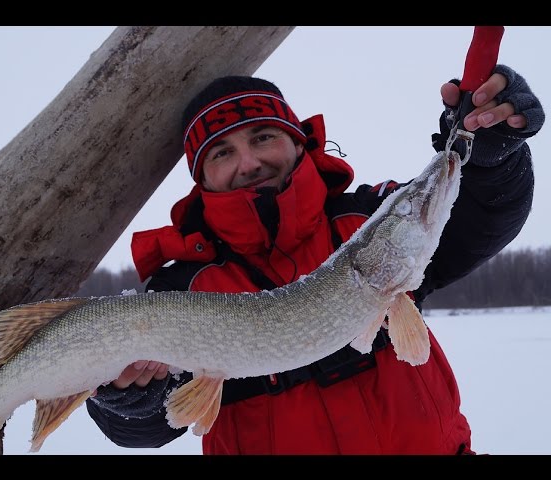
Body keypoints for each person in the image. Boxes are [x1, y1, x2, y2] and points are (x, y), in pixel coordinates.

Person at [86, 65, 544, 454]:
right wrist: (130, 396)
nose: (247, 163)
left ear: (297, 141)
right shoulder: (181, 288)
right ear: (201, 176)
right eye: (222, 152)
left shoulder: (365, 220)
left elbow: (481, 215)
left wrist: (488, 156)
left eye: (262, 137)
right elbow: (146, 428)